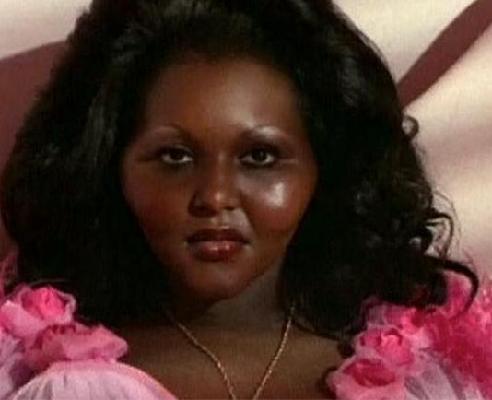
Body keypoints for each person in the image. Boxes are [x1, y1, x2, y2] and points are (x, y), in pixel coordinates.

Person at [0, 0, 491, 399]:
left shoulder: (431, 374)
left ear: (325, 166)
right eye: (174, 156)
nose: (215, 196)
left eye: (260, 157)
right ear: (109, 165)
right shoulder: (29, 372)